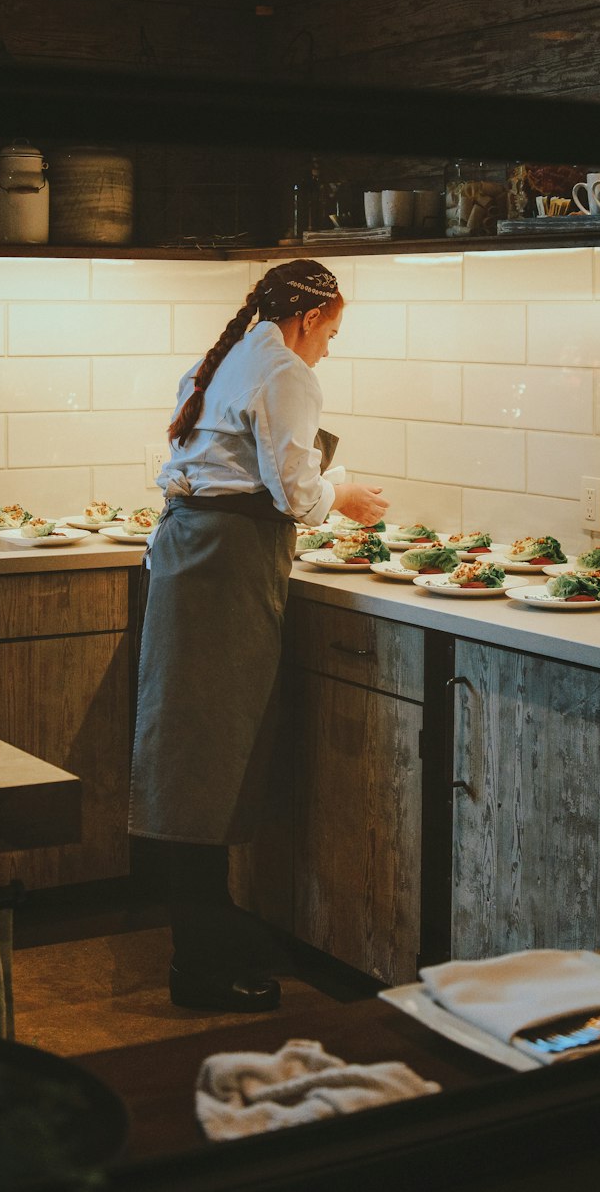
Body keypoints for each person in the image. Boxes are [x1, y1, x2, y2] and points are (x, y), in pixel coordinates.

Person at [129, 259, 388, 1012]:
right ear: (308, 318)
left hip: (194, 557)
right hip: (222, 567)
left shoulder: (232, 356)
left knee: (194, 759)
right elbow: (298, 495)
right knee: (202, 764)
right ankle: (199, 969)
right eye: (332, 331)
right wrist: (346, 493)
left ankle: (209, 934)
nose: (330, 349)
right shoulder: (284, 370)